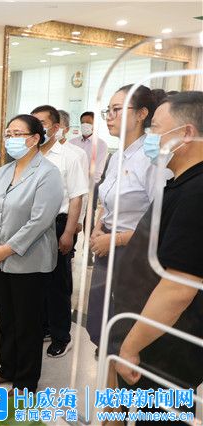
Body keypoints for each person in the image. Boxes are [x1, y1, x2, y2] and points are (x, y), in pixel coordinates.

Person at [111, 91, 203, 420]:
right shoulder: (181, 183)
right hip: (161, 334)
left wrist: (131, 346)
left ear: (187, 133)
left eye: (156, 129)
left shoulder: (196, 192)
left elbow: (178, 287)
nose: (150, 138)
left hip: (172, 343)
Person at [0, 114, 63, 393]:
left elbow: (39, 221)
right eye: (8, 134)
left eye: (17, 134)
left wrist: (6, 249)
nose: (11, 139)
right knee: (6, 318)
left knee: (27, 324)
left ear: (35, 138)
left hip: (29, 261)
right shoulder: (4, 171)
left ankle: (26, 382)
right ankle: (8, 368)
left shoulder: (48, 173)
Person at [86, 84, 167, 352]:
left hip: (133, 250)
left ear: (142, 114)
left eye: (117, 110)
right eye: (108, 111)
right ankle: (108, 364)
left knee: (125, 321)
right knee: (101, 316)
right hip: (107, 244)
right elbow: (107, 199)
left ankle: (121, 368)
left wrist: (116, 240)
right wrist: (98, 227)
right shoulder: (116, 156)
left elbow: (160, 219)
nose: (109, 117)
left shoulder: (152, 158)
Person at [31, 105, 88, 358]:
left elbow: (77, 197)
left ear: (55, 128)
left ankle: (61, 336)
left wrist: (68, 233)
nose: (37, 127)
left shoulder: (69, 157)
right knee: (36, 282)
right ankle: (43, 326)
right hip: (31, 226)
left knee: (58, 284)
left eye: (42, 123)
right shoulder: (29, 155)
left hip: (58, 225)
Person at [69, 111, 109, 182]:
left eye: (88, 123)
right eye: (82, 123)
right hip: (70, 181)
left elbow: (96, 174)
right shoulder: (72, 142)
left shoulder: (101, 145)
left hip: (88, 184)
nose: (85, 125)